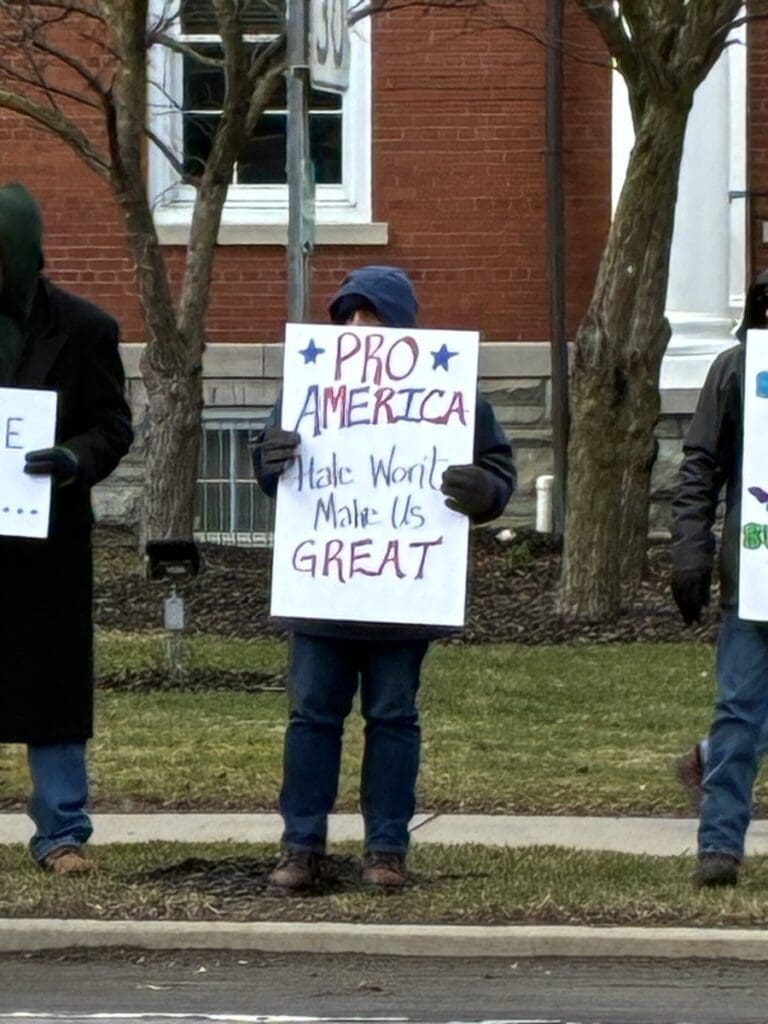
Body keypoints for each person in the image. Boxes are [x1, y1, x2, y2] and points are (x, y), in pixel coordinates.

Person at [252, 265, 515, 891]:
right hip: (323, 589)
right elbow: (270, 468)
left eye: (371, 317)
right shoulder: (308, 388)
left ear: (401, 327)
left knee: (394, 715)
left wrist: (486, 491)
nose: (358, 329)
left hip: (404, 591)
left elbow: (498, 468)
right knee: (313, 715)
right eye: (348, 317)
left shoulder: (449, 392)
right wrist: (267, 458)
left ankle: (387, 850)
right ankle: (301, 846)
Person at [0, 183, 133, 874]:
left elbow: (113, 427)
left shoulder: (84, 329)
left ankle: (60, 830)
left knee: (50, 684)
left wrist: (75, 459)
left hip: (45, 541)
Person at [670, 268, 768, 887]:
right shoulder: (735, 370)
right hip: (754, 577)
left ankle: (708, 764)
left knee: (744, 715)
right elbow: (700, 466)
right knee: (739, 708)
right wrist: (691, 554)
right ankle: (721, 845)